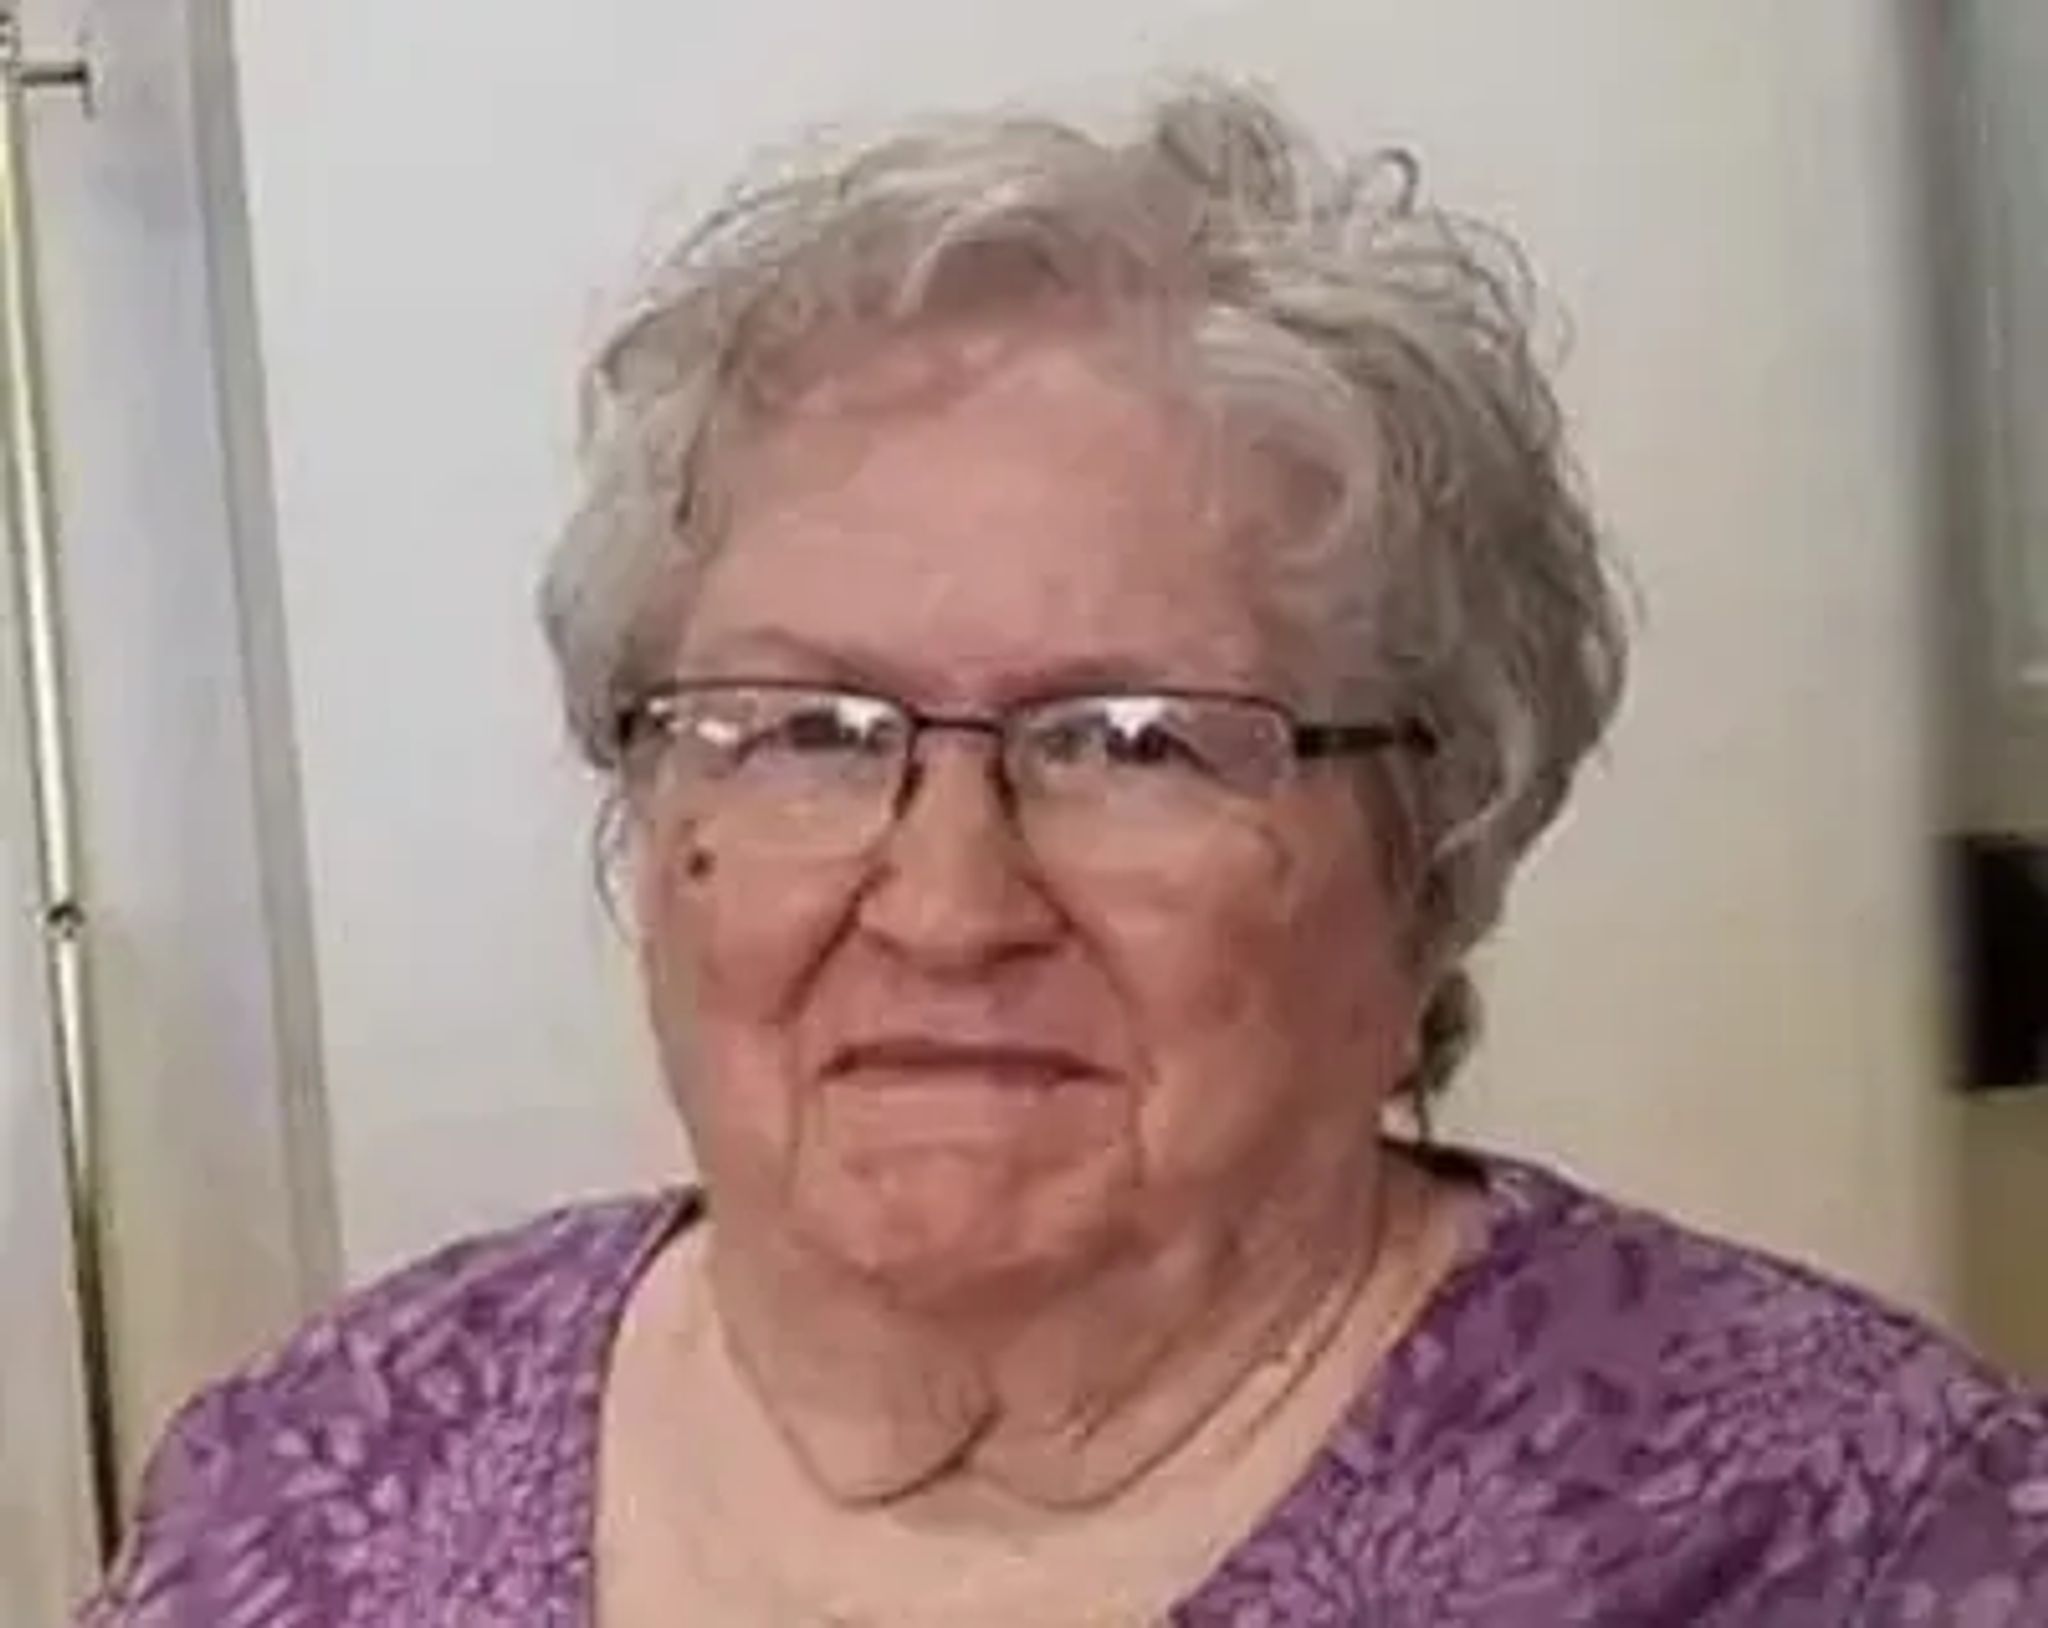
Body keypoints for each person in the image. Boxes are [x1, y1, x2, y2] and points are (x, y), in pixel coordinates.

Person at [82, 83, 2048, 1626]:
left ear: (1430, 844)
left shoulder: (1850, 1536)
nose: (948, 906)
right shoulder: (325, 1470)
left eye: (1134, 743)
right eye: (806, 733)